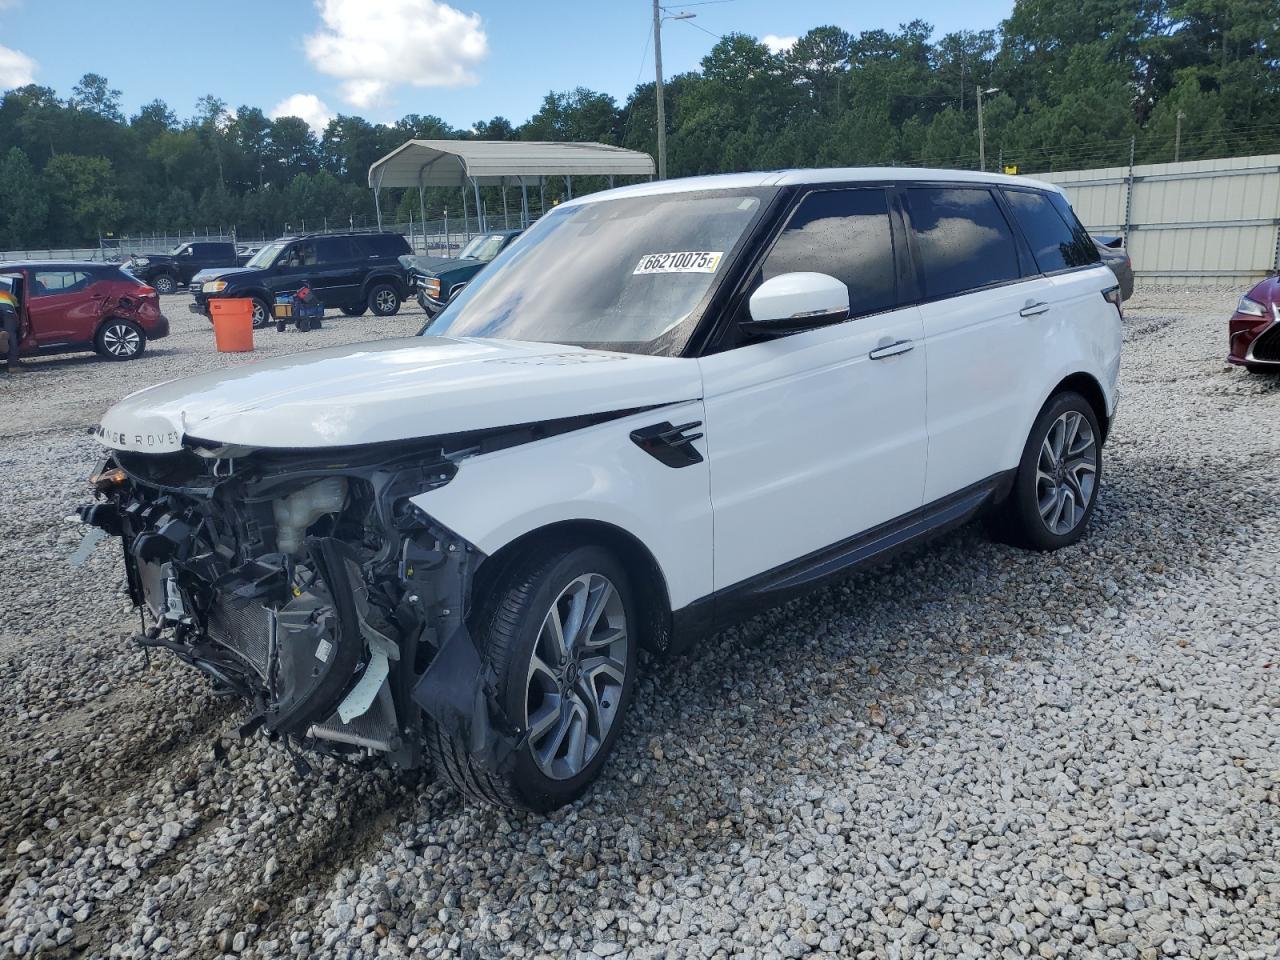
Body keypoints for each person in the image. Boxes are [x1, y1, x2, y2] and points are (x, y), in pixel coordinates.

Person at [0, 276, 19, 371]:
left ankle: (1, 332)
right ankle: (13, 365)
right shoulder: (8, 294)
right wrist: (17, 322)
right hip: (7, 310)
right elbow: (16, 308)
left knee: (2, 332)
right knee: (11, 335)